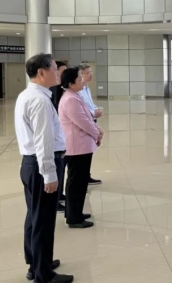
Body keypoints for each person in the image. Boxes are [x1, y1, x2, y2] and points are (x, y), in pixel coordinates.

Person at [14, 53, 74, 283]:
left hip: (31, 163)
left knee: (34, 216)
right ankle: (43, 273)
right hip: (42, 165)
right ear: (41, 72)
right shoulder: (39, 100)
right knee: (44, 220)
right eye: (54, 69)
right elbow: (43, 140)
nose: (58, 73)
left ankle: (36, 263)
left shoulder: (27, 95)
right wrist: (49, 173)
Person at [59, 67, 103, 229]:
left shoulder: (74, 96)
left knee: (79, 182)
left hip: (81, 146)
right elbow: (83, 122)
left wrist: (97, 129)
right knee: (76, 183)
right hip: (77, 147)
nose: (82, 81)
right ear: (71, 84)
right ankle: (74, 218)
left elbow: (87, 117)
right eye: (79, 79)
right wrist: (97, 133)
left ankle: (74, 212)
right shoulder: (70, 100)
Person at [77, 64, 103, 186]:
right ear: (80, 74)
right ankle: (82, 179)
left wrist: (95, 109)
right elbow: (81, 110)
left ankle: (86, 176)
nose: (90, 75)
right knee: (82, 154)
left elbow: (89, 104)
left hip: (91, 120)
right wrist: (93, 113)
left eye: (91, 72)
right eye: (88, 73)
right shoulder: (78, 90)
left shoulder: (86, 88)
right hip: (84, 123)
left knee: (88, 152)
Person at [50, 61, 67, 214]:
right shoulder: (53, 91)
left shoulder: (61, 88)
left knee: (61, 168)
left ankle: (60, 194)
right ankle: (55, 201)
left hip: (60, 137)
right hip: (55, 138)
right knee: (56, 168)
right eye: (59, 71)